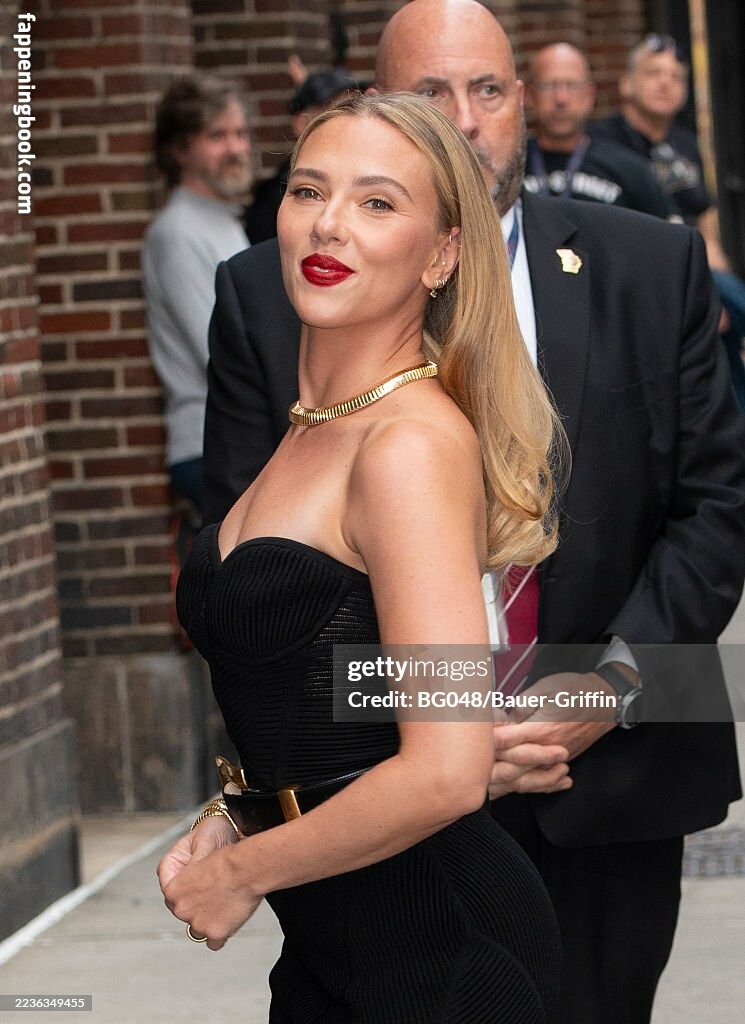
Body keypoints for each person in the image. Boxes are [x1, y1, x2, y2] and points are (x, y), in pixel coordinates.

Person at [200, 3, 745, 1022]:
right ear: (380, 103)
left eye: (487, 90)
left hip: (615, 781)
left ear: (521, 100)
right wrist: (441, 730)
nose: (463, 118)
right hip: (377, 814)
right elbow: (259, 586)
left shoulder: (650, 264)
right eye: (429, 93)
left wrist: (611, 686)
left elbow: (716, 514)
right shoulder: (272, 291)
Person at [159, 92, 572, 1022]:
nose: (329, 223)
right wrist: (239, 812)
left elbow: (447, 767)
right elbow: (331, 705)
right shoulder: (315, 425)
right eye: (309, 189)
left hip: (440, 956)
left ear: (441, 255)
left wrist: (244, 873)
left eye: (377, 202)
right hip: (334, 948)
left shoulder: (407, 445)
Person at [591, 33, 745, 407]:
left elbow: (705, 231)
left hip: (692, 267)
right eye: (653, 73)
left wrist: (718, 290)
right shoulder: (602, 144)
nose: (665, 83)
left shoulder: (686, 143)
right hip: (642, 276)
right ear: (626, 84)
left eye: (676, 77)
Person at [142, 75, 252, 514]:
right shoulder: (177, 232)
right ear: (180, 149)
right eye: (217, 136)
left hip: (236, 439)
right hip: (211, 448)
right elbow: (219, 348)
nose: (236, 148)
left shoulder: (221, 218)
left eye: (240, 133)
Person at [524, 42, 671, 217]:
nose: (561, 98)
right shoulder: (510, 168)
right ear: (529, 96)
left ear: (590, 95)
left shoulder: (631, 170)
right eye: (548, 85)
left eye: (572, 85)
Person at [245, 66, 359, 244]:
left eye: (353, 110)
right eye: (335, 112)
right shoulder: (274, 195)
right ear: (301, 123)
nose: (349, 123)